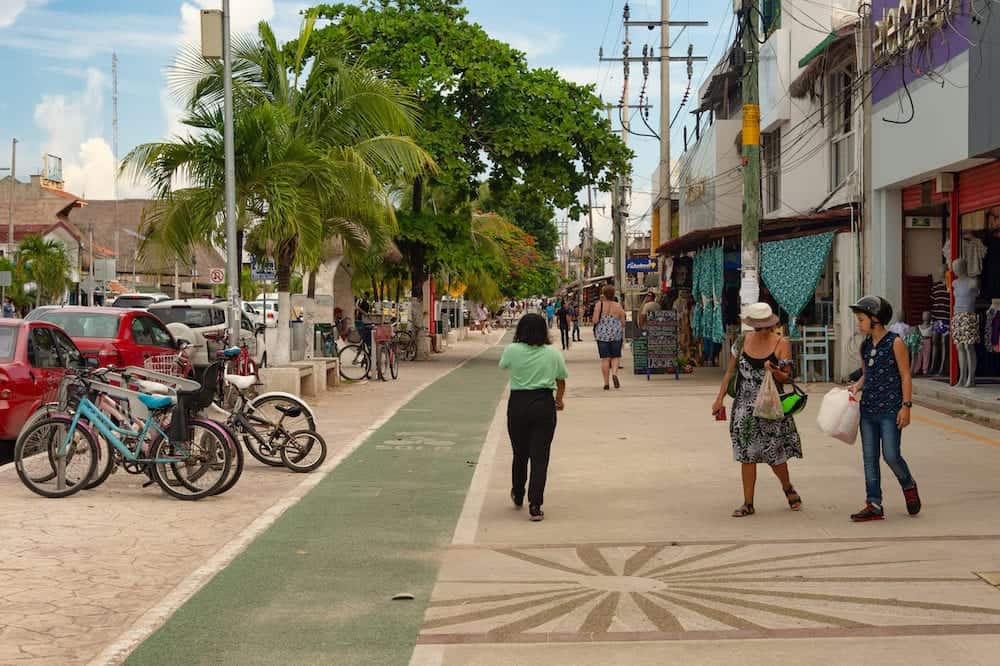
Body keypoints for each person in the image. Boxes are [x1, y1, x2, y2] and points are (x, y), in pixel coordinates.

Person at [712, 303, 803, 518]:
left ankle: (788, 487)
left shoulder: (781, 343)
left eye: (764, 327)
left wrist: (774, 371)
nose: (761, 331)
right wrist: (719, 399)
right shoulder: (742, 341)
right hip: (744, 406)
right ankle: (748, 503)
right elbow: (729, 372)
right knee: (746, 454)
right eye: (757, 327)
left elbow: (787, 376)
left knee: (775, 453)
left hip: (771, 405)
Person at [847, 295, 920, 522]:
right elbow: (867, 373)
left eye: (861, 319)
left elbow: (905, 376)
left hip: (890, 410)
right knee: (870, 458)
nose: (859, 324)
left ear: (875, 319)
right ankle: (874, 503)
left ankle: (908, 485)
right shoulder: (866, 345)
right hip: (867, 410)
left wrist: (906, 407)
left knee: (891, 455)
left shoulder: (896, 342)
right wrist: (856, 387)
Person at [498, 313, 568, 522]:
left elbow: (503, 366)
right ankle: (535, 505)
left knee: (519, 453)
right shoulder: (553, 354)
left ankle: (518, 493)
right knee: (540, 457)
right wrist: (559, 400)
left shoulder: (512, 350)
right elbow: (561, 380)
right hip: (544, 404)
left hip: (518, 404)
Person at [591, 285, 626, 390]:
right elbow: (623, 322)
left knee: (605, 359)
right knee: (615, 356)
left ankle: (606, 383)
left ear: (603, 294)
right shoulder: (618, 306)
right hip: (616, 334)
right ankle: (614, 374)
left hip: (602, 335)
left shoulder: (599, 305)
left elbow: (595, 320)